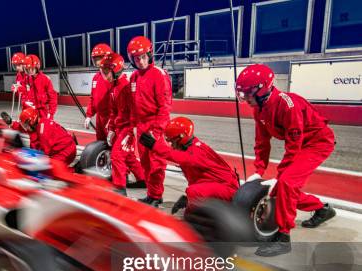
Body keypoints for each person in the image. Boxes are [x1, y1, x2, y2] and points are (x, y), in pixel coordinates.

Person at [236, 64, 336, 256]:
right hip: (301, 142)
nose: (245, 98)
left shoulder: (287, 105)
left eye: (248, 93)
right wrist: (259, 170)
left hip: (317, 142)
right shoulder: (259, 109)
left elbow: (293, 144)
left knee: (287, 183)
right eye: (242, 93)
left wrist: (281, 175)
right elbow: (262, 142)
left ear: (262, 88)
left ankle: (283, 238)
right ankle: (321, 208)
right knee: (283, 188)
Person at [139, 117, 239, 215]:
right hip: (222, 186)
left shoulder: (197, 151)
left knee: (193, 191)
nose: (172, 145)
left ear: (181, 137)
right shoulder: (192, 147)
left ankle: (194, 220)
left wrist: (154, 146)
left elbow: (177, 157)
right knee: (193, 191)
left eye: (172, 141)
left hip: (228, 189)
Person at [127, 36, 172, 207]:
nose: (141, 61)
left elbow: (165, 107)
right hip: (141, 126)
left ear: (150, 54)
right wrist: (133, 126)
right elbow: (132, 105)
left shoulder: (159, 75)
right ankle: (151, 194)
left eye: (143, 57)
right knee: (145, 164)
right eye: (137, 58)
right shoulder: (133, 78)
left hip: (155, 126)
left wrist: (156, 131)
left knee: (156, 164)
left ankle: (157, 196)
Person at [100, 53, 144, 196]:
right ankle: (143, 180)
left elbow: (134, 111)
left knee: (117, 155)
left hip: (127, 128)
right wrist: (112, 129)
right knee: (129, 156)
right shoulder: (114, 87)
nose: (104, 74)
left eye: (106, 71)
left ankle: (119, 188)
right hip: (120, 128)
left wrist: (131, 132)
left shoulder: (126, 87)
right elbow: (114, 111)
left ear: (116, 69)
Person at [12, 106, 76, 165]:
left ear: (32, 122)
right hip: (61, 149)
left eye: (26, 125)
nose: (25, 128)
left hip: (67, 150)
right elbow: (23, 128)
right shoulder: (35, 126)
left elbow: (42, 154)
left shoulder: (44, 131)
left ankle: (75, 171)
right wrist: (11, 123)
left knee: (52, 168)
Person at [84, 43, 112, 141]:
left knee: (113, 144)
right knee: (100, 143)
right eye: (95, 59)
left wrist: (113, 120)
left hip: (110, 118)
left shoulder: (113, 77)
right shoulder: (96, 77)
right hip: (100, 118)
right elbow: (93, 98)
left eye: (99, 58)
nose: (97, 62)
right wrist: (88, 115)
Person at [23, 54, 58, 119]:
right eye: (27, 69)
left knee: (45, 128)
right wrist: (25, 102)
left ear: (37, 67)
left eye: (31, 69)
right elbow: (24, 94)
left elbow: (52, 97)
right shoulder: (27, 79)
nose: (29, 71)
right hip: (31, 110)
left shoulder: (45, 79)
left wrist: (51, 113)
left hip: (44, 111)